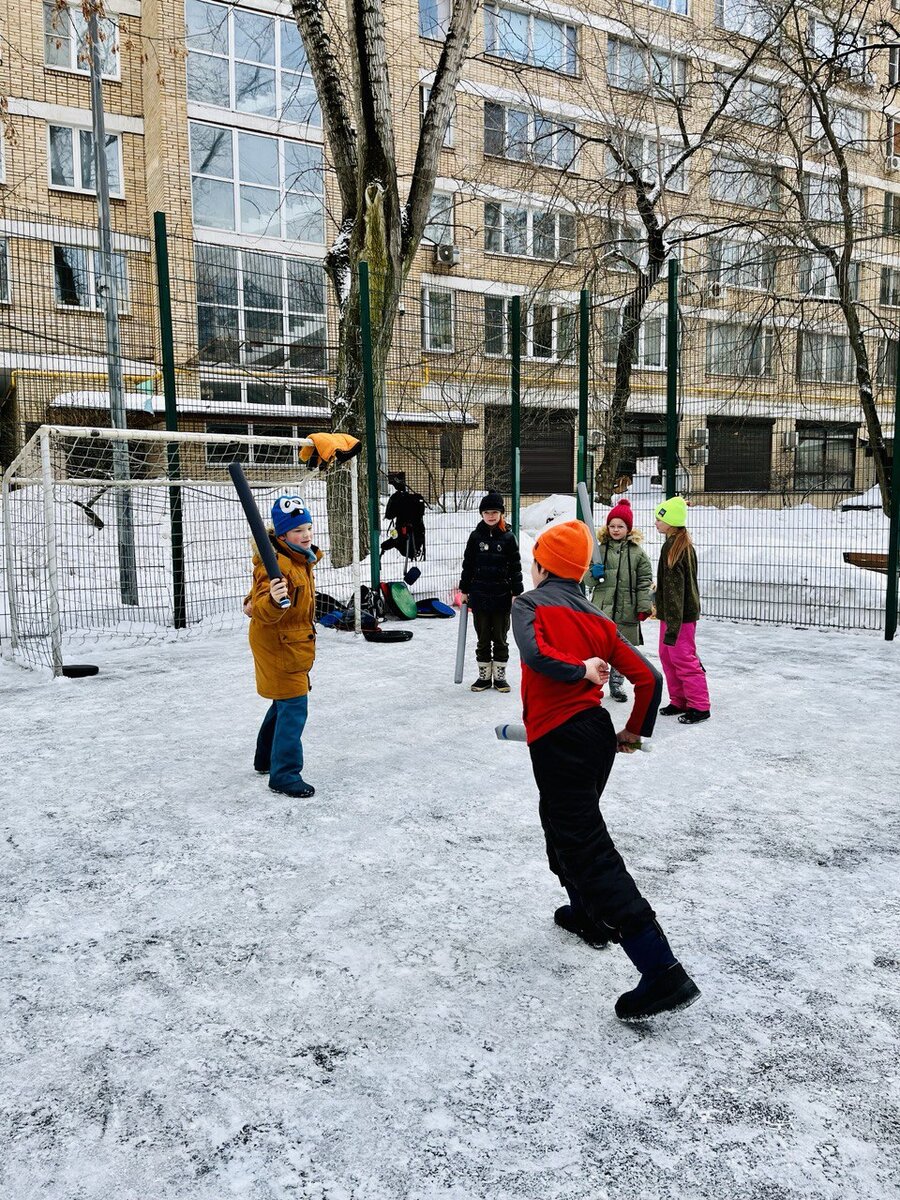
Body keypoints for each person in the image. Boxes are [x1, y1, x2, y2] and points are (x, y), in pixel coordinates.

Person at [511, 520, 700, 1022]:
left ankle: (660, 968)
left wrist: (579, 672)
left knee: (585, 844)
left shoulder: (528, 604)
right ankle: (588, 915)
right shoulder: (598, 618)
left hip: (561, 740)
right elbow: (649, 679)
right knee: (562, 822)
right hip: (595, 736)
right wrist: (633, 731)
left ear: (543, 565)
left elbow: (534, 654)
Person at [246, 495, 322, 798]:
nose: (305, 535)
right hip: (278, 643)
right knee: (293, 706)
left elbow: (253, 598)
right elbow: (263, 603)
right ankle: (285, 773)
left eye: (308, 527)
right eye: (297, 531)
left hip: (293, 641)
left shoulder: (299, 558)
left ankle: (265, 759)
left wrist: (255, 602)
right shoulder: (276, 563)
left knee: (283, 701)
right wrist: (272, 601)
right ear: (281, 536)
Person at [584, 497, 653, 703]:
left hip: (627, 608)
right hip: (602, 608)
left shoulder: (638, 553)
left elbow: (644, 582)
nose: (615, 530)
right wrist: (594, 573)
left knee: (622, 651)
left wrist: (644, 606)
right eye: (612, 526)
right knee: (599, 647)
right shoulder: (599, 550)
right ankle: (594, 684)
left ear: (628, 528)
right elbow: (587, 579)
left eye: (620, 526)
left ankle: (617, 685)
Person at [458, 491, 524, 693]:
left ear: (501, 513)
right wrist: (465, 589)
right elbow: (468, 564)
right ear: (481, 514)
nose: (491, 516)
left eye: (495, 512)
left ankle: (500, 676)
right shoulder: (475, 537)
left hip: (502, 597)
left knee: (501, 638)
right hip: (479, 597)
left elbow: (515, 567)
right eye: (487, 512)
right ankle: (484, 676)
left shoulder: (508, 537)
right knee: (483, 637)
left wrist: (516, 592)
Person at [654, 497, 710, 725]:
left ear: (672, 521)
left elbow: (677, 591)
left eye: (660, 518)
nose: (656, 522)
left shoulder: (677, 549)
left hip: (680, 617)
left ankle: (699, 705)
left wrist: (674, 624)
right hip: (670, 614)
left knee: (683, 658)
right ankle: (679, 700)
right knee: (667, 656)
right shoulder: (672, 544)